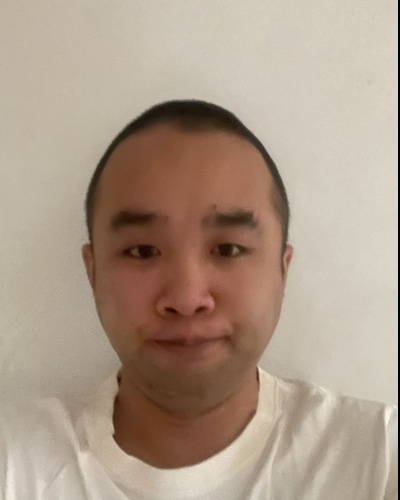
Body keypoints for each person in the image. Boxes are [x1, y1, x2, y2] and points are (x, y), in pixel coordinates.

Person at [0, 100, 397, 500]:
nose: (187, 299)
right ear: (93, 272)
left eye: (228, 249)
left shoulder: (375, 461)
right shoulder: (16, 463)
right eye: (142, 251)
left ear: (283, 270)